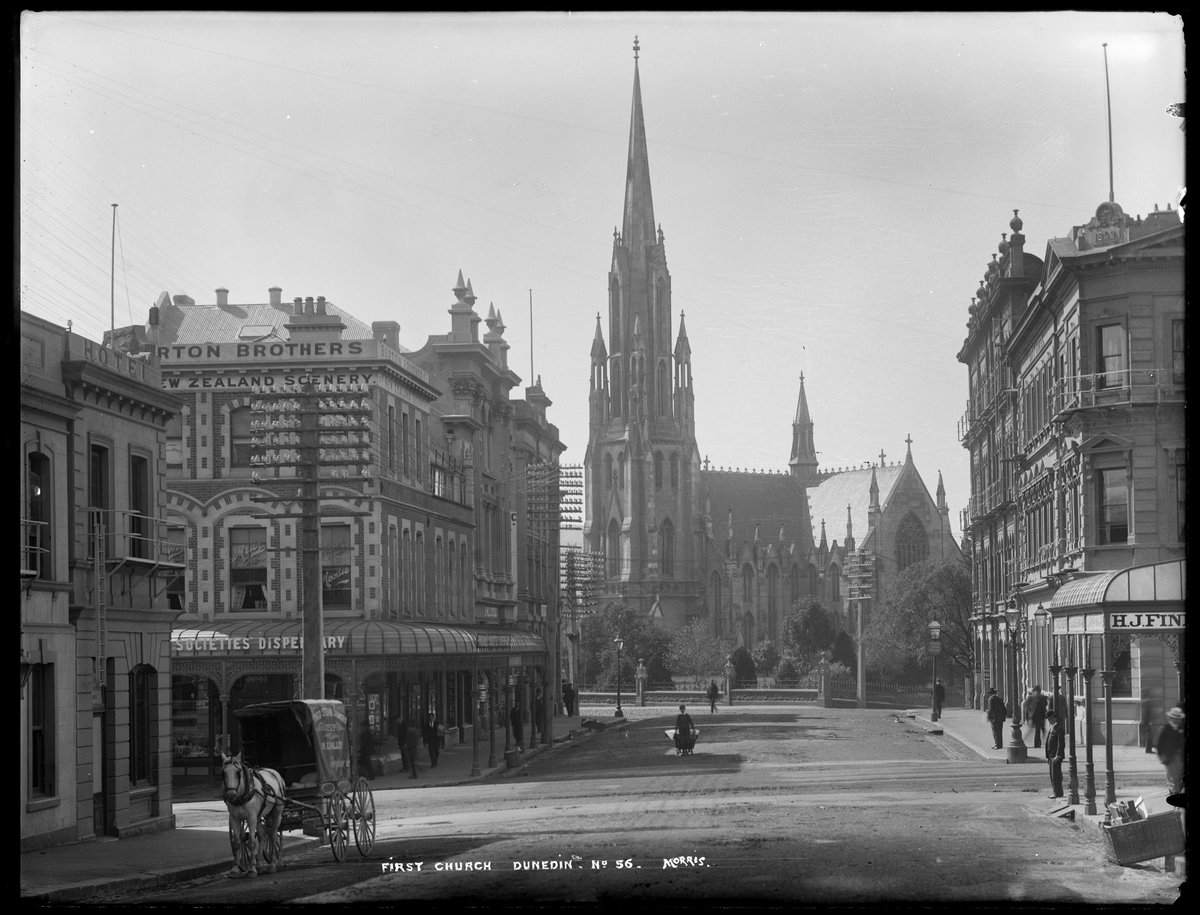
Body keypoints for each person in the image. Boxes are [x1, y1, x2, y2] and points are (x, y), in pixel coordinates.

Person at [1155, 706, 1185, 795]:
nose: (1177, 720)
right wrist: (1162, 757)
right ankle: (1174, 793)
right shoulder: (1165, 729)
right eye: (1175, 718)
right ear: (1171, 718)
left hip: (1180, 757)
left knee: (1179, 778)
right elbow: (1159, 745)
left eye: (1178, 719)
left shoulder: (1181, 729)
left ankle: (1175, 792)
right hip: (1169, 757)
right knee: (1172, 779)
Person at [1045, 708, 1065, 799]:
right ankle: (1055, 791)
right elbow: (1048, 743)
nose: (1049, 721)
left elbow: (1061, 744)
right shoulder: (1051, 729)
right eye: (1048, 719)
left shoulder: (1059, 729)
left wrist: (1059, 755)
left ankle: (1058, 792)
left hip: (1055, 756)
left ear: (1055, 718)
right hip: (1051, 756)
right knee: (1052, 775)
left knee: (1056, 776)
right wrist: (1047, 756)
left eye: (1051, 719)